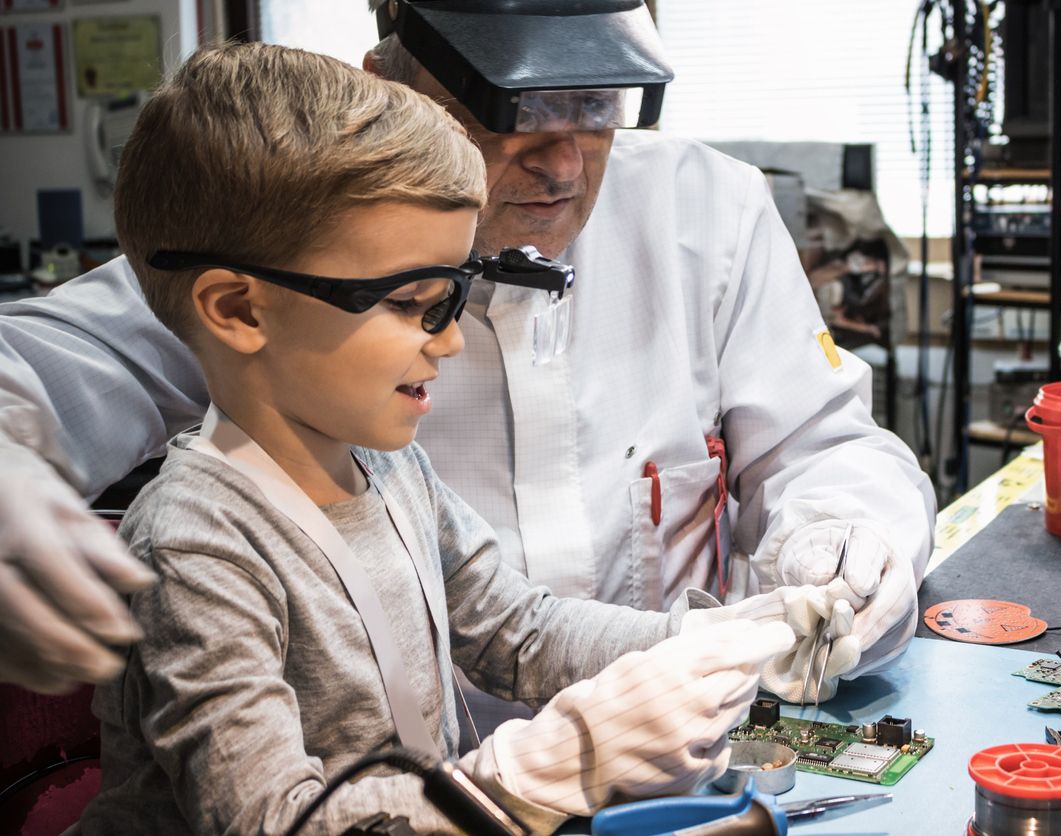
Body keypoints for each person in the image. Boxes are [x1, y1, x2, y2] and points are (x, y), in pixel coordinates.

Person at [0, 0, 935, 701]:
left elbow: (828, 447)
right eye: (508, 111)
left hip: (684, 763)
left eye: (598, 107)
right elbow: (33, 364)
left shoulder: (710, 211)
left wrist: (840, 538)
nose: (563, 164)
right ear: (386, 82)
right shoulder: (284, 254)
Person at [77, 42, 836, 834]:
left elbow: (520, 631)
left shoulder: (388, 467)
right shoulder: (196, 548)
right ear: (237, 309)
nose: (447, 342)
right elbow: (271, 821)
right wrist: (545, 767)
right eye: (412, 302)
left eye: (454, 296)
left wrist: (717, 639)